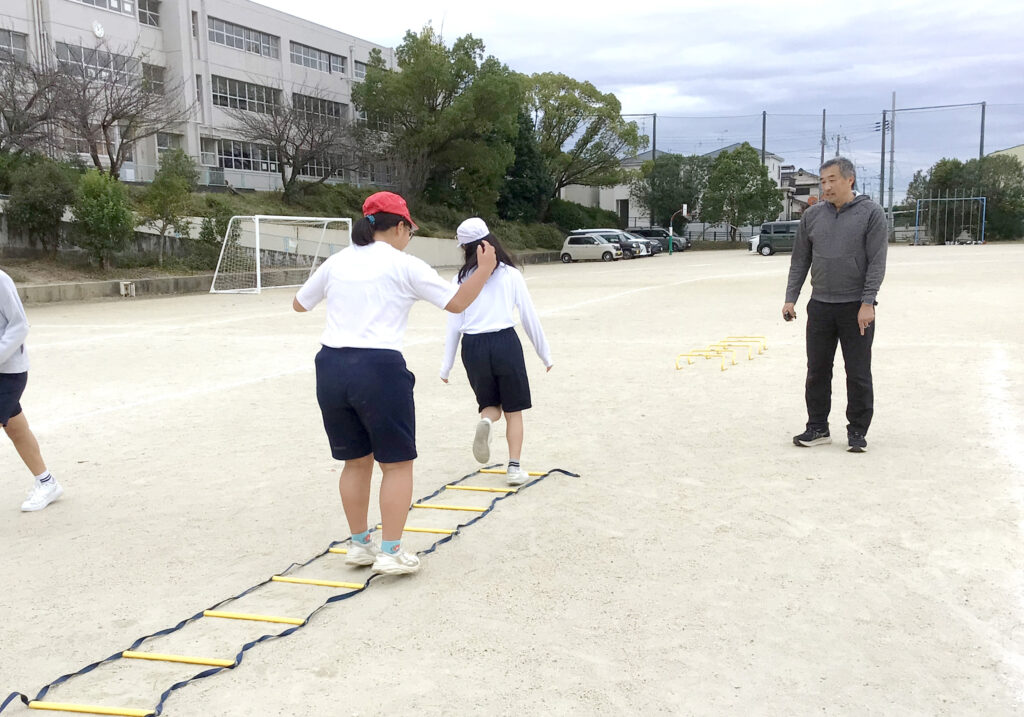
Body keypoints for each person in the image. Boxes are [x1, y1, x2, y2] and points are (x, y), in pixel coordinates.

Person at [293, 192, 497, 575]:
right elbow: (456, 303)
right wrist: (483, 270)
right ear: (401, 226)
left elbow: (300, 304)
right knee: (397, 463)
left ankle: (358, 545)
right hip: (378, 366)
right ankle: (391, 550)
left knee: (355, 461)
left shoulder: (337, 261)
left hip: (331, 365)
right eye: (410, 230)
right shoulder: (404, 265)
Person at [783, 157, 887, 453]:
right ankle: (817, 427)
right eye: (823, 180)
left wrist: (868, 302)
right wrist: (791, 298)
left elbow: (877, 263)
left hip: (856, 307)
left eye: (831, 180)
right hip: (820, 306)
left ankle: (857, 431)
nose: (825, 186)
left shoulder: (871, 213)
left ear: (849, 180)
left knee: (857, 371)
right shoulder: (812, 215)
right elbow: (800, 260)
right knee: (816, 369)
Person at [439, 218, 552, 485]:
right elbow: (528, 316)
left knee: (490, 406)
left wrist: (446, 365)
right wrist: (545, 354)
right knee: (514, 410)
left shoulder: (461, 278)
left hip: (473, 346)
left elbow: (454, 323)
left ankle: (487, 423)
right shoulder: (510, 274)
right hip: (504, 343)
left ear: (465, 248)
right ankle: (514, 467)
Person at [0, 269, 63, 511]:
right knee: (17, 430)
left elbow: (19, 325)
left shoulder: (1, 281)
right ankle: (47, 482)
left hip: (8, 373)